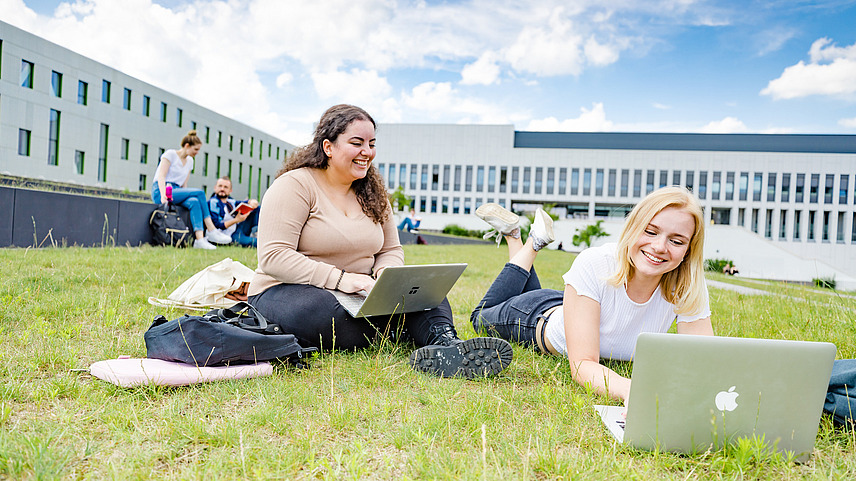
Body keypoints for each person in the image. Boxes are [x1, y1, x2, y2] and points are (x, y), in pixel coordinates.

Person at [247, 104, 512, 379]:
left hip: (359, 293)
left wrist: (387, 275)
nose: (367, 152)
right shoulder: (295, 185)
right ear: (328, 147)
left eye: (372, 144)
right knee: (316, 311)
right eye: (357, 143)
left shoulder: (373, 191)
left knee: (429, 294)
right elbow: (274, 256)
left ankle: (447, 346)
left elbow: (390, 249)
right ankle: (404, 330)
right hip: (291, 290)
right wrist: (342, 280)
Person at [470, 187, 713, 402]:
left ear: (688, 250)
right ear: (633, 227)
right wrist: (632, 389)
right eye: (650, 232)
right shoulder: (596, 263)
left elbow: (702, 361)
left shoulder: (688, 283)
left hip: (578, 306)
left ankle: (516, 235)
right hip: (535, 317)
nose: (660, 247)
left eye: (677, 241)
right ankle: (529, 240)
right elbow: (583, 364)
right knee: (479, 318)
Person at [151, 130, 232, 250]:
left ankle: (199, 240)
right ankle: (211, 229)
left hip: (177, 191)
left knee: (194, 200)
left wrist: (186, 196)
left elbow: (184, 184)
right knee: (199, 193)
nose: (197, 153)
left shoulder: (190, 161)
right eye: (196, 149)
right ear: (187, 146)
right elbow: (161, 176)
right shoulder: (170, 154)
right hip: (162, 190)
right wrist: (163, 195)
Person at [208, 176, 260, 247]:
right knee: (257, 242)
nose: (222, 189)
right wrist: (236, 220)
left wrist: (252, 202)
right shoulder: (213, 202)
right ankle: (255, 239)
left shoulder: (230, 201)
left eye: (226, 187)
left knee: (256, 208)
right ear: (215, 188)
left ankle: (256, 232)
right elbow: (217, 225)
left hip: (238, 227)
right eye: (220, 186)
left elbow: (249, 202)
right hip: (228, 234)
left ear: (230, 191)